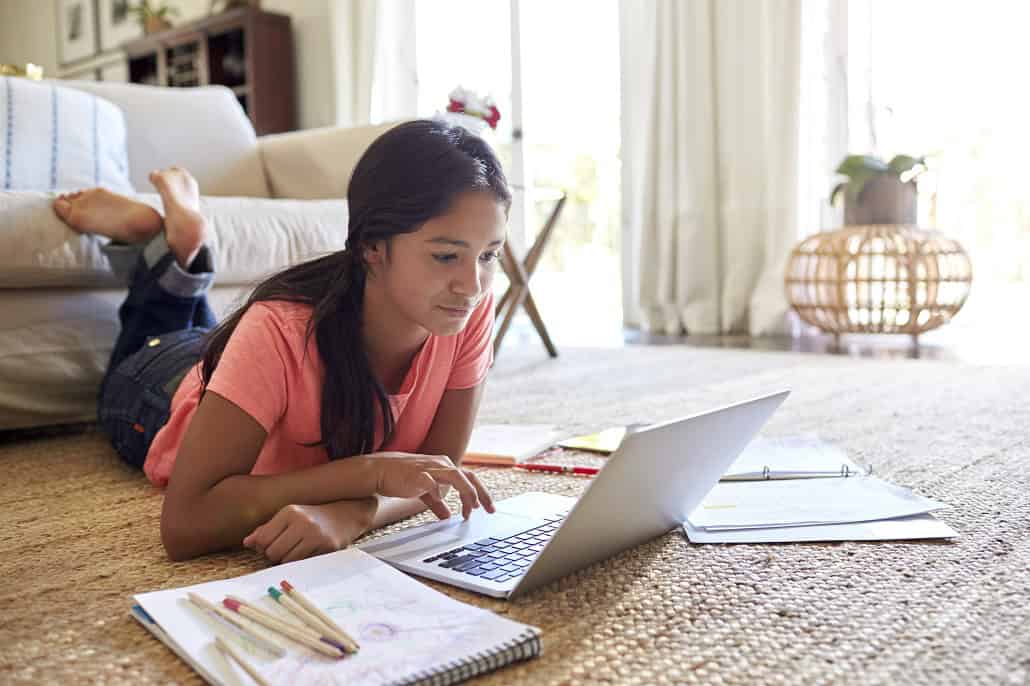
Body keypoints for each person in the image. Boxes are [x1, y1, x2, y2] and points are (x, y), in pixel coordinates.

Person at [52, 120, 508, 563]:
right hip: (157, 390)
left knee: (208, 331)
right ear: (372, 246)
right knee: (155, 337)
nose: (472, 284)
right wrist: (367, 473)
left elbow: (437, 474)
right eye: (446, 255)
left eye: (488, 255)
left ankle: (175, 247)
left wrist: (355, 511)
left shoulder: (467, 308)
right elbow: (185, 523)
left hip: (238, 359)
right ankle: (167, 246)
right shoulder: (277, 328)